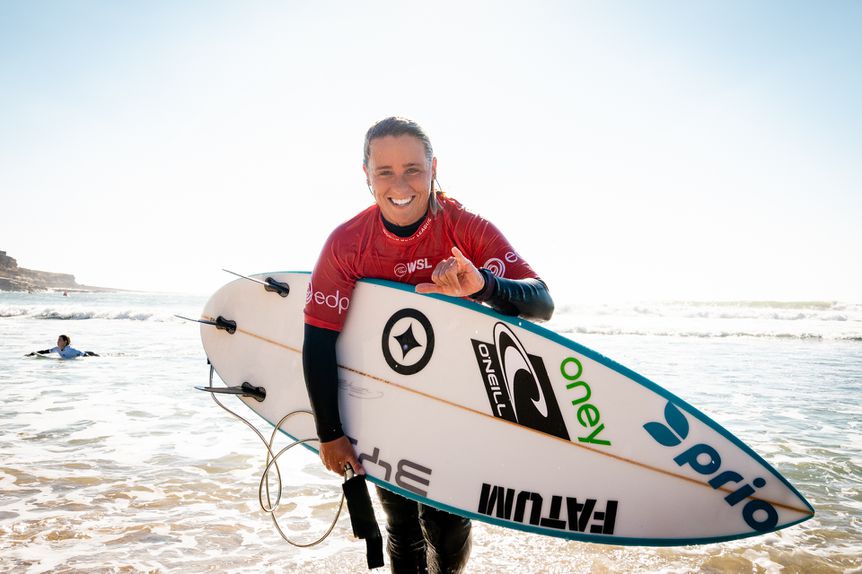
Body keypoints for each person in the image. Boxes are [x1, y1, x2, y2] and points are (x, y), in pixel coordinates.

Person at [302, 117, 554, 574]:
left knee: (446, 526)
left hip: (455, 406)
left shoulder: (466, 230)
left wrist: (483, 285)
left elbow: (541, 302)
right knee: (400, 526)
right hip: (383, 406)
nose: (400, 185)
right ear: (366, 174)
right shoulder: (346, 244)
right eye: (385, 171)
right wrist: (329, 433)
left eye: (413, 169)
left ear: (434, 168)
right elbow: (319, 339)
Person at [27, 334, 99, 359]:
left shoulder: (71, 350)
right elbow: (45, 351)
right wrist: (32, 353)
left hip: (88, 353)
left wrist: (89, 358)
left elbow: (83, 353)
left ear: (65, 342)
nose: (57, 341)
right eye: (58, 340)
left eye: (60, 340)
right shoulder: (57, 349)